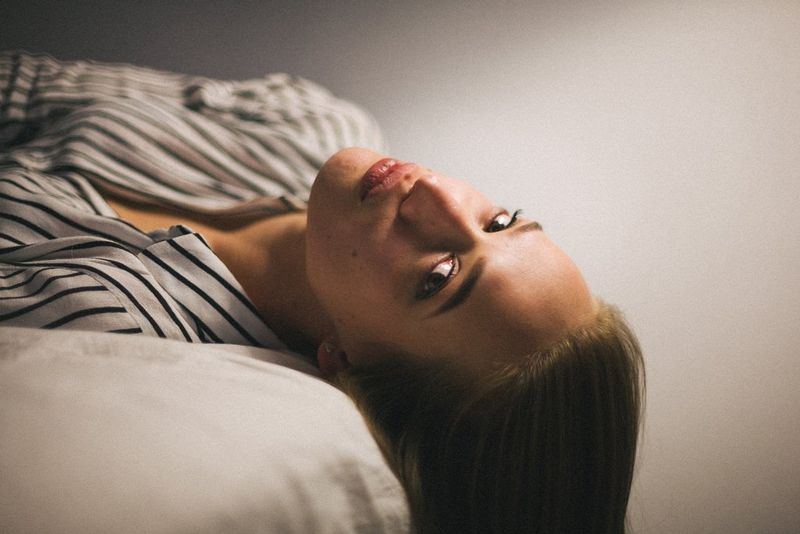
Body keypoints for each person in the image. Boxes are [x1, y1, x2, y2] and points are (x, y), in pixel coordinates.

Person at [1, 51, 644, 534]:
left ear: (346, 364)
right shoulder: (307, 123)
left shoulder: (109, 322)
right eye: (499, 221)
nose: (439, 194)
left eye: (439, 277)